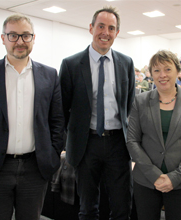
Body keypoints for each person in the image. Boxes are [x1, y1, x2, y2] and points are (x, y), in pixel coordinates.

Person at [0, 14, 64, 220]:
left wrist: (53, 154)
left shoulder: (49, 75)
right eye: (13, 35)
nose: (20, 41)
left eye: (25, 36)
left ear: (33, 38)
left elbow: (57, 121)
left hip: (35, 169)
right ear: (3, 38)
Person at [59, 6, 135, 220]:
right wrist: (67, 143)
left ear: (117, 33)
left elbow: (128, 105)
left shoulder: (126, 63)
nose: (106, 32)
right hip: (86, 144)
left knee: (122, 207)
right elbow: (62, 110)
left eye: (111, 28)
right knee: (88, 208)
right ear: (91, 28)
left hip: (118, 144)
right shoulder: (71, 64)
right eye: (101, 26)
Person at [127, 50, 181, 220]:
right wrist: (154, 175)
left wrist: (175, 177)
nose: (162, 75)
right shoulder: (140, 101)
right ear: (151, 74)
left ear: (178, 71)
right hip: (146, 180)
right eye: (156, 70)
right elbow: (132, 140)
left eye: (168, 69)